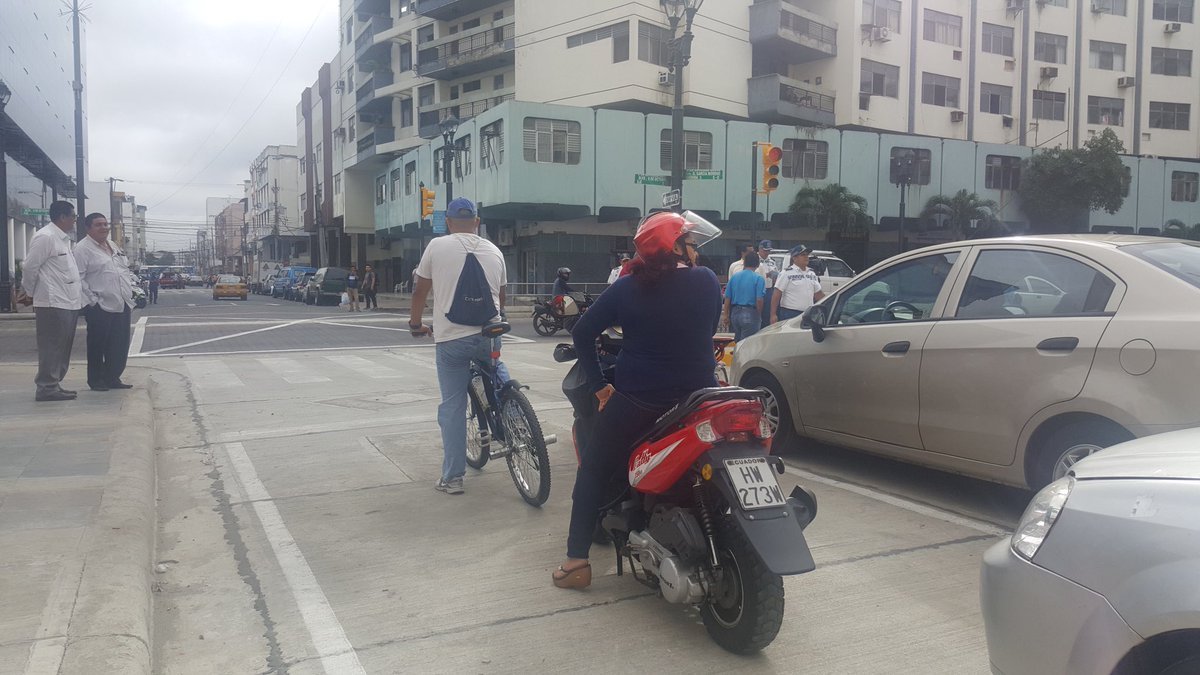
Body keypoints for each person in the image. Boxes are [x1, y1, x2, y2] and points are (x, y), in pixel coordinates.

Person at [553, 211, 722, 590]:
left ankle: (576, 562)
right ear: (676, 247)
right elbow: (707, 330)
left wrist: (599, 386)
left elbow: (582, 333)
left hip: (642, 401)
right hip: (699, 399)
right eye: (690, 243)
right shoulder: (707, 281)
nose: (695, 250)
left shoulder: (627, 288)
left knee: (593, 470)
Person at [409, 197, 510, 496]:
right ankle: (516, 412)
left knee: (452, 405)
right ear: (477, 222)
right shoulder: (494, 249)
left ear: (449, 223)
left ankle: (453, 478)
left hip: (452, 338)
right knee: (495, 367)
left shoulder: (437, 246)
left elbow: (419, 291)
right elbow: (500, 300)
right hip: (490, 331)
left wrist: (416, 325)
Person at [21, 201, 84, 402]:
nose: (75, 220)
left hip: (68, 301)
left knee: (63, 347)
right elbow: (30, 267)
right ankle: (46, 387)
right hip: (52, 301)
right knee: (52, 346)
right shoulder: (45, 237)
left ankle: (54, 383)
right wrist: (29, 293)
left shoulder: (62, 239)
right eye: (73, 216)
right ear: (63, 217)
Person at [74, 213, 137, 391]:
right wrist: (93, 300)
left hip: (121, 302)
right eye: (98, 225)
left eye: (105, 224)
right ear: (88, 228)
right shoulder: (82, 249)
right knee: (98, 344)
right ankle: (96, 380)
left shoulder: (113, 245)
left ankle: (112, 377)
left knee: (119, 343)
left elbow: (123, 270)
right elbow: (78, 278)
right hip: (100, 305)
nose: (104, 228)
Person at [771, 245, 825, 324]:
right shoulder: (786, 273)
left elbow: (818, 294)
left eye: (807, 255)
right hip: (790, 313)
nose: (806, 257)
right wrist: (773, 314)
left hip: (808, 314)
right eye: (803, 255)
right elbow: (776, 294)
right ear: (794, 258)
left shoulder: (812, 273)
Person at [722, 253, 765, 342]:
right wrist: (758, 314)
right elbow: (759, 299)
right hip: (750, 312)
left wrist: (726, 315)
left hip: (735, 313)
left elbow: (727, 297)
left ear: (744, 263)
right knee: (748, 344)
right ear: (757, 264)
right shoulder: (759, 278)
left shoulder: (734, 277)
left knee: (738, 342)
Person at [754, 239, 779, 328]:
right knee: (757, 314)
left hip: (769, 290)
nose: (767, 253)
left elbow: (776, 272)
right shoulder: (754, 259)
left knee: (767, 314)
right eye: (765, 250)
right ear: (760, 249)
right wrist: (767, 275)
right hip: (757, 290)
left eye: (768, 250)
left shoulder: (772, 261)